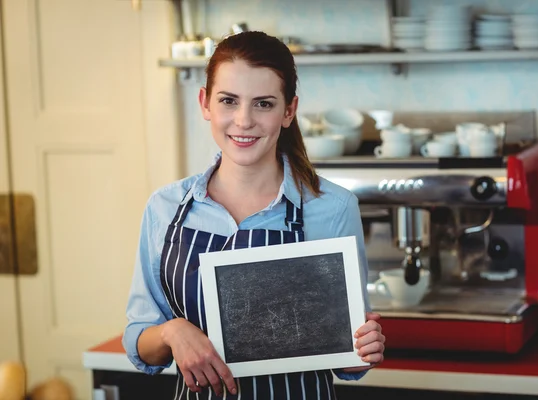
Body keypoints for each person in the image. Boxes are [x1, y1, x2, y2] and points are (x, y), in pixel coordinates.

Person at [123, 30, 385, 399]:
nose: (243, 120)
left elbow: (347, 356)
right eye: (229, 100)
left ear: (289, 111)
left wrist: (364, 348)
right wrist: (172, 331)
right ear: (205, 103)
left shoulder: (333, 207)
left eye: (263, 104)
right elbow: (139, 340)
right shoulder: (165, 208)